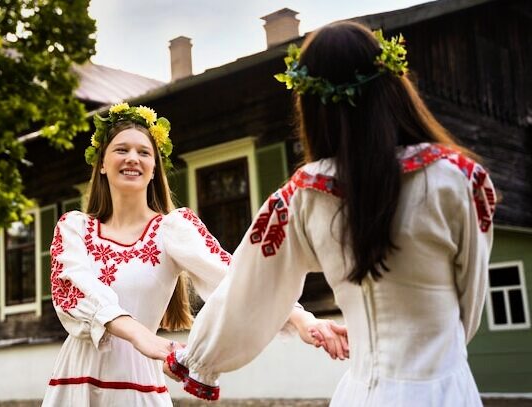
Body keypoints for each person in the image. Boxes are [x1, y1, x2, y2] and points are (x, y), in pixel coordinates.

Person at [165, 21, 496, 406]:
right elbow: (469, 302)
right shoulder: (457, 179)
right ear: (393, 86)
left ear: (312, 106)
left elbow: (246, 290)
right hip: (446, 391)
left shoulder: (302, 197)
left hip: (363, 394)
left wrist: (198, 358)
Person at [41, 102, 349, 406]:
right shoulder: (74, 228)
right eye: (121, 149)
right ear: (102, 165)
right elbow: (75, 291)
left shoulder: (172, 229)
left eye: (144, 152)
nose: (133, 158)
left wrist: (304, 320)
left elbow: (236, 280)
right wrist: (140, 336)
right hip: (75, 384)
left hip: (138, 387)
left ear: (153, 170)